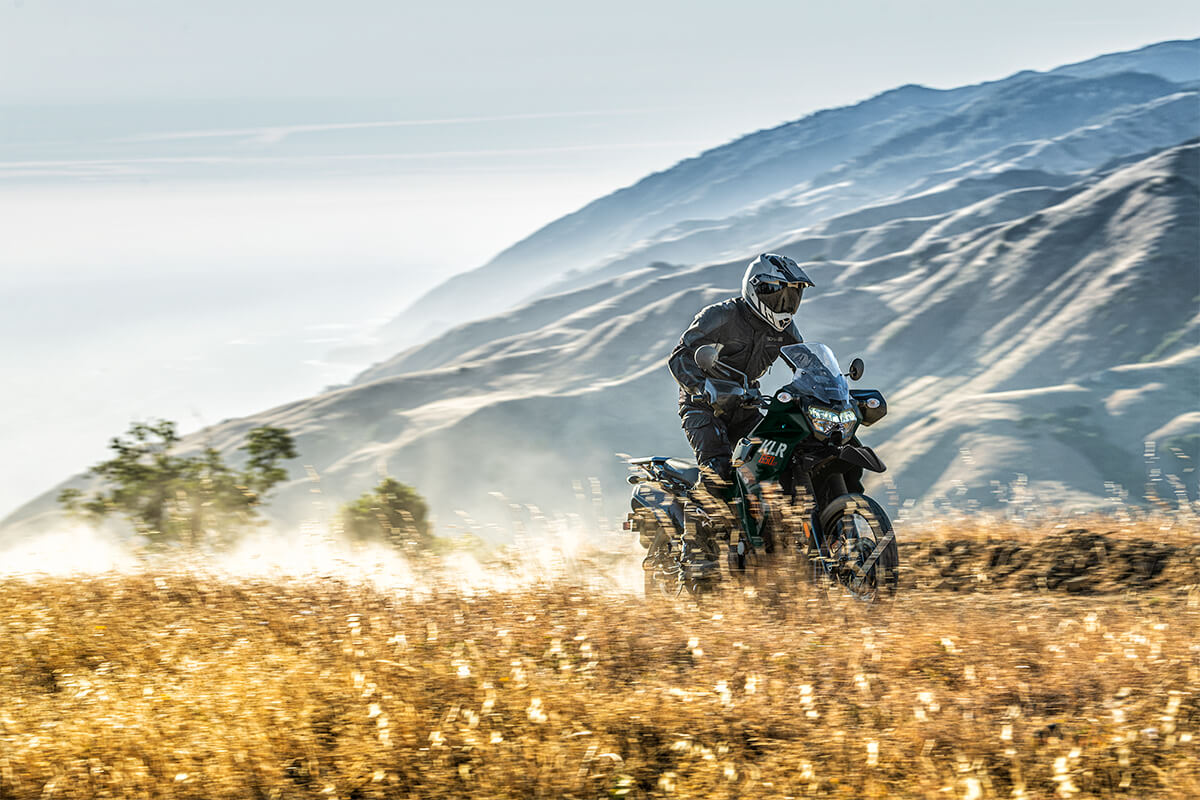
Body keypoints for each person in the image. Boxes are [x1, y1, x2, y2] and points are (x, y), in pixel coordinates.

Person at [667, 253, 814, 498]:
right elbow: (679, 357)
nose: (785, 305)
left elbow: (805, 361)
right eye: (778, 296)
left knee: (777, 461)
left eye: (792, 297)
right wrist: (703, 388)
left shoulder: (785, 328)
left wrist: (824, 387)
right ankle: (691, 534)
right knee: (718, 474)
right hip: (704, 407)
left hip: (745, 406)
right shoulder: (721, 316)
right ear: (758, 290)